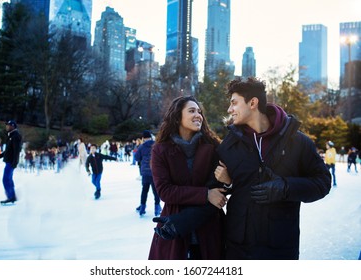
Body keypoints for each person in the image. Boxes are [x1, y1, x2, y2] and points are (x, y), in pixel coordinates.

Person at [156, 77, 331, 260]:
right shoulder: (228, 147)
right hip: (238, 249)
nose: (229, 109)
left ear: (253, 103)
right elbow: (214, 195)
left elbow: (323, 182)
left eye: (234, 103)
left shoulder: (297, 141)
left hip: (281, 247)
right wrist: (182, 222)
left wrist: (286, 187)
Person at [148, 96, 228, 260]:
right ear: (177, 117)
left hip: (210, 229)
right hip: (174, 228)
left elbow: (220, 186)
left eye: (199, 112)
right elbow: (165, 191)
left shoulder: (213, 146)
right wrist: (206, 194)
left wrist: (226, 180)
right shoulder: (160, 150)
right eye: (191, 111)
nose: (198, 115)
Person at [0, 120, 22, 205]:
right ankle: (12, 196)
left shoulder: (15, 136)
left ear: (13, 126)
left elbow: (16, 151)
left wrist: (15, 162)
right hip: (9, 161)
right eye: (6, 125)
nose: (7, 127)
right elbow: (7, 151)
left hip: (11, 162)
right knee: (9, 179)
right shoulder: (11, 135)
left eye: (8, 125)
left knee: (6, 179)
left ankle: (11, 197)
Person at [134, 130, 161, 217]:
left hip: (145, 173)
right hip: (155, 172)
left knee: (144, 190)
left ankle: (142, 208)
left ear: (143, 138)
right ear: (151, 137)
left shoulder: (141, 147)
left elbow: (136, 158)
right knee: (156, 191)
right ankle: (157, 208)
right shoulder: (156, 145)